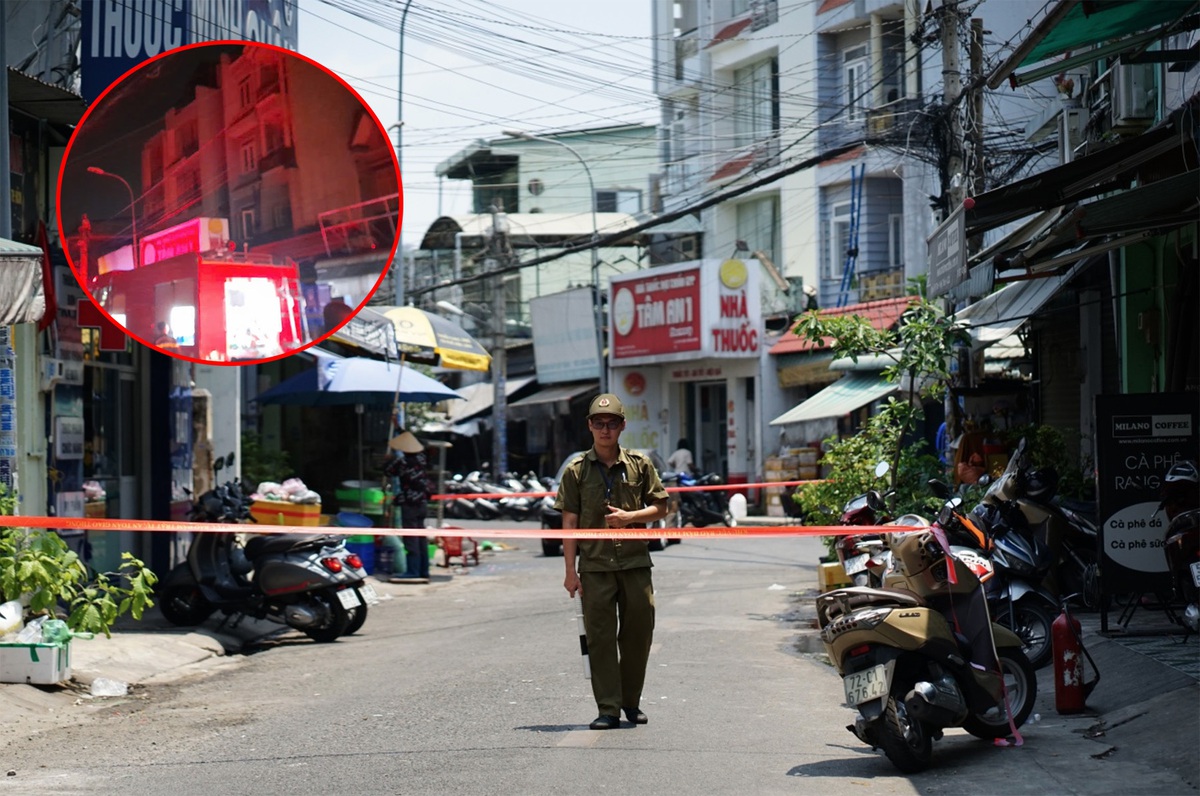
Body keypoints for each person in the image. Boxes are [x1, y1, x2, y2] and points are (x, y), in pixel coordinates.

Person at [555, 393, 670, 730]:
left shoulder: (640, 464)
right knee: (600, 638)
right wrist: (569, 573)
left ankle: (630, 702)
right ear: (589, 426)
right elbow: (570, 525)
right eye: (598, 423)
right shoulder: (576, 471)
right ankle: (608, 708)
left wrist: (630, 516)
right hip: (595, 567)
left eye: (612, 423)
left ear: (622, 426)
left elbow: (662, 507)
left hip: (635, 564)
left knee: (639, 634)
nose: (605, 430)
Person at [383, 430, 432, 583]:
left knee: (411, 538)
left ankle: (413, 571)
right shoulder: (422, 459)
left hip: (410, 504)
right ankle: (424, 570)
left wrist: (388, 460)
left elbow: (388, 471)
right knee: (420, 537)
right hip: (422, 502)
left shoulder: (403, 462)